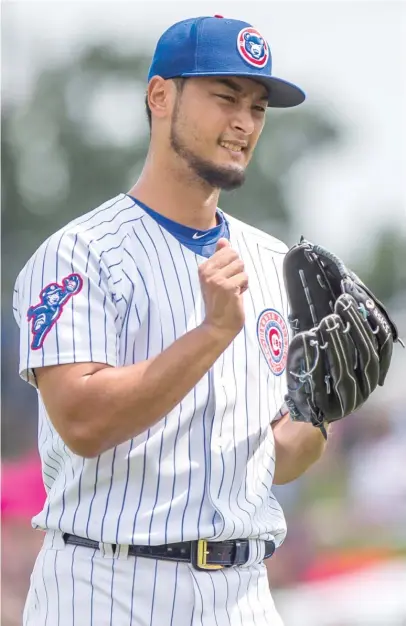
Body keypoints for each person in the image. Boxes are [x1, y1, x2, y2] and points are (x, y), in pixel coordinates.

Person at [13, 15, 326, 626]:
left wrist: (323, 411)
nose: (244, 122)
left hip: (243, 593)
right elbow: (82, 420)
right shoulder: (80, 254)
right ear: (161, 96)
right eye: (226, 98)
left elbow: (277, 458)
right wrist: (210, 336)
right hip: (107, 585)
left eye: (259, 107)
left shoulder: (274, 262)